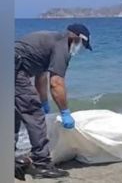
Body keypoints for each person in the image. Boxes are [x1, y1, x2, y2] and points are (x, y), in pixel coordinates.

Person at [15, 23, 92, 179]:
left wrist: (44, 101)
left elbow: (41, 77)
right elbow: (56, 83)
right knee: (34, 114)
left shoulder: (50, 41)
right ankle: (41, 164)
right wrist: (65, 112)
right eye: (82, 45)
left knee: (13, 114)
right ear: (76, 39)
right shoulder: (62, 46)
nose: (80, 49)